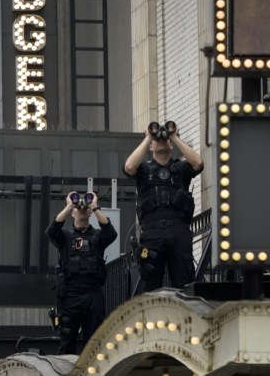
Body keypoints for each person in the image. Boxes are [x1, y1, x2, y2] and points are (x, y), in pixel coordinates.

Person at [123, 120, 203, 292]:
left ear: (171, 145)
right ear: (150, 147)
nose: (161, 139)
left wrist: (173, 136)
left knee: (185, 284)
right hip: (152, 233)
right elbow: (129, 167)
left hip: (179, 231)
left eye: (164, 139)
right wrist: (147, 138)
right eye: (156, 140)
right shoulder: (143, 169)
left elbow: (198, 163)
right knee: (151, 285)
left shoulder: (181, 168)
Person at [45, 191, 117, 354]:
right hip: (70, 296)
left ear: (90, 212)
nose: (82, 208)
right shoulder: (65, 236)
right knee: (66, 343)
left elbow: (111, 233)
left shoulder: (98, 236)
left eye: (86, 208)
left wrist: (95, 206)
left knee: (94, 345)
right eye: (78, 207)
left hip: (93, 295)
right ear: (72, 213)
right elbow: (51, 231)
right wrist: (70, 204)